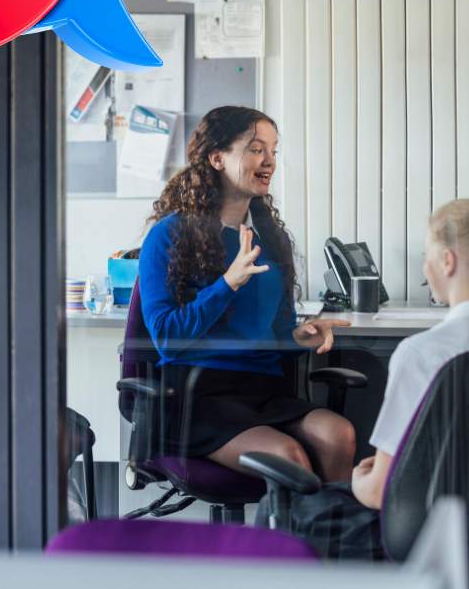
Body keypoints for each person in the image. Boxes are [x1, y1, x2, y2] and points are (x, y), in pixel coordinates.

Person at [139, 106, 355, 482]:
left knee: (339, 436)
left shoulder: (271, 238)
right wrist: (227, 284)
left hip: (263, 391)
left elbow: (277, 331)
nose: (269, 161)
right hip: (198, 397)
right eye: (256, 149)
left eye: (273, 150)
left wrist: (300, 337)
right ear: (217, 158)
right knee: (287, 457)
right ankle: (288, 541)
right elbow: (166, 340)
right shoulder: (169, 236)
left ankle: (327, 540)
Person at [272, 198, 469, 559]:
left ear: (447, 262)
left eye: (427, 255)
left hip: (434, 536)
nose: (425, 268)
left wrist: (363, 477)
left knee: (293, 512)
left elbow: (379, 493)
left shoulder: (423, 353)